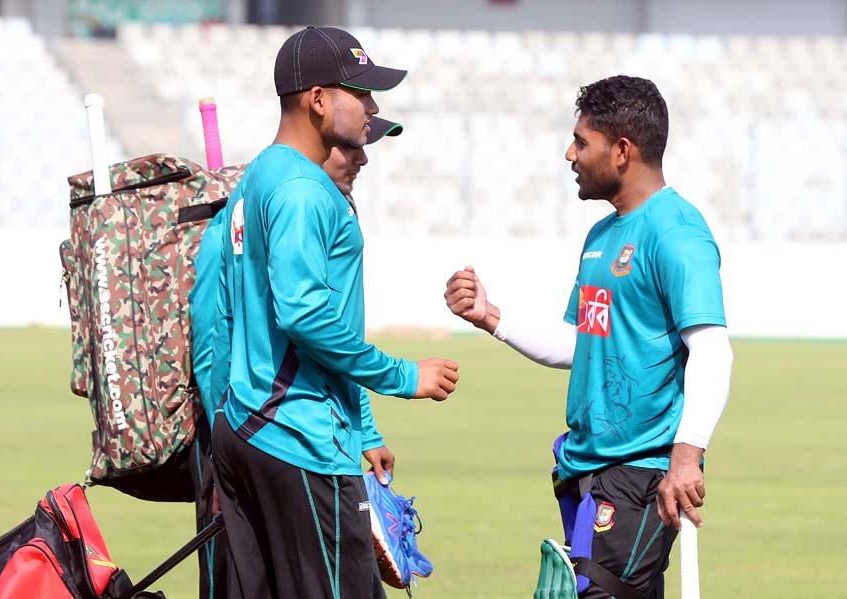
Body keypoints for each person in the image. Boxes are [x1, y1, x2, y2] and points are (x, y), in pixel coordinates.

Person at [444, 75, 733, 598]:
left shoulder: (677, 234)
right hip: (588, 465)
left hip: (642, 470)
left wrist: (686, 458)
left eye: (582, 141)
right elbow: (583, 343)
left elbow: (713, 351)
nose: (569, 153)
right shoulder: (602, 235)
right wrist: (492, 317)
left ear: (622, 150)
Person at [211, 26, 459, 599]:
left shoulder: (258, 176)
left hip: (247, 425)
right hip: (297, 436)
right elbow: (307, 317)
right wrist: (404, 377)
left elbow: (224, 303)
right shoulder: (303, 190)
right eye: (362, 93)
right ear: (318, 100)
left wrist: (362, 429)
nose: (373, 108)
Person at [187, 116, 403, 599]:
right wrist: (228, 435)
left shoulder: (307, 204)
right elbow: (214, 329)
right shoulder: (289, 199)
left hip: (274, 430)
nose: (363, 159)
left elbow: (339, 336)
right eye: (352, 148)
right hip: (282, 435)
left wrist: (364, 428)